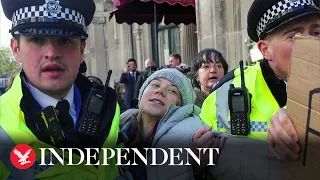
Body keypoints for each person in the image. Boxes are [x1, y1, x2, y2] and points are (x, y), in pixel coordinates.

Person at [0, 0, 121, 179]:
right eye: (37, 39)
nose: (52, 52)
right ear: (16, 49)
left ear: (82, 50)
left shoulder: (109, 107)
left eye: (64, 40)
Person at [200, 0, 320, 160]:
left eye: (316, 33)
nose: (311, 43)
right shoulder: (222, 96)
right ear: (265, 50)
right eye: (294, 36)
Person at [119, 68, 284, 180]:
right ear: (141, 93)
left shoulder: (192, 133)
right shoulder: (119, 124)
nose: (160, 91)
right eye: (155, 85)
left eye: (172, 91)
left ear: (181, 106)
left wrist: (195, 165)